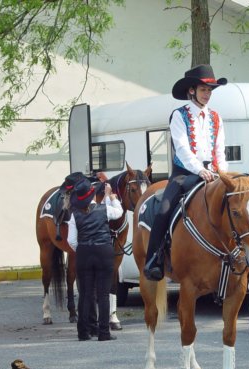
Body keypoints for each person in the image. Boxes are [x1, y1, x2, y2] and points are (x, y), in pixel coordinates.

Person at [143, 64, 228, 281]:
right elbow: (181, 149)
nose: (207, 95)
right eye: (203, 90)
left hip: (213, 174)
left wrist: (223, 175)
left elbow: (220, 150)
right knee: (164, 210)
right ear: (192, 91)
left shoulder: (216, 117)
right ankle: (154, 259)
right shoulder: (179, 116)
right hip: (185, 173)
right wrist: (200, 170)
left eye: (210, 91)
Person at [67, 177, 123, 341]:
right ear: (93, 195)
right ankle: (104, 332)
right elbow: (118, 212)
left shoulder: (73, 215)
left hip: (84, 252)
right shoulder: (104, 209)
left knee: (85, 294)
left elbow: (71, 240)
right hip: (104, 251)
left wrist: (83, 247)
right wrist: (111, 197)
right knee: (103, 294)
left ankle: (83, 333)